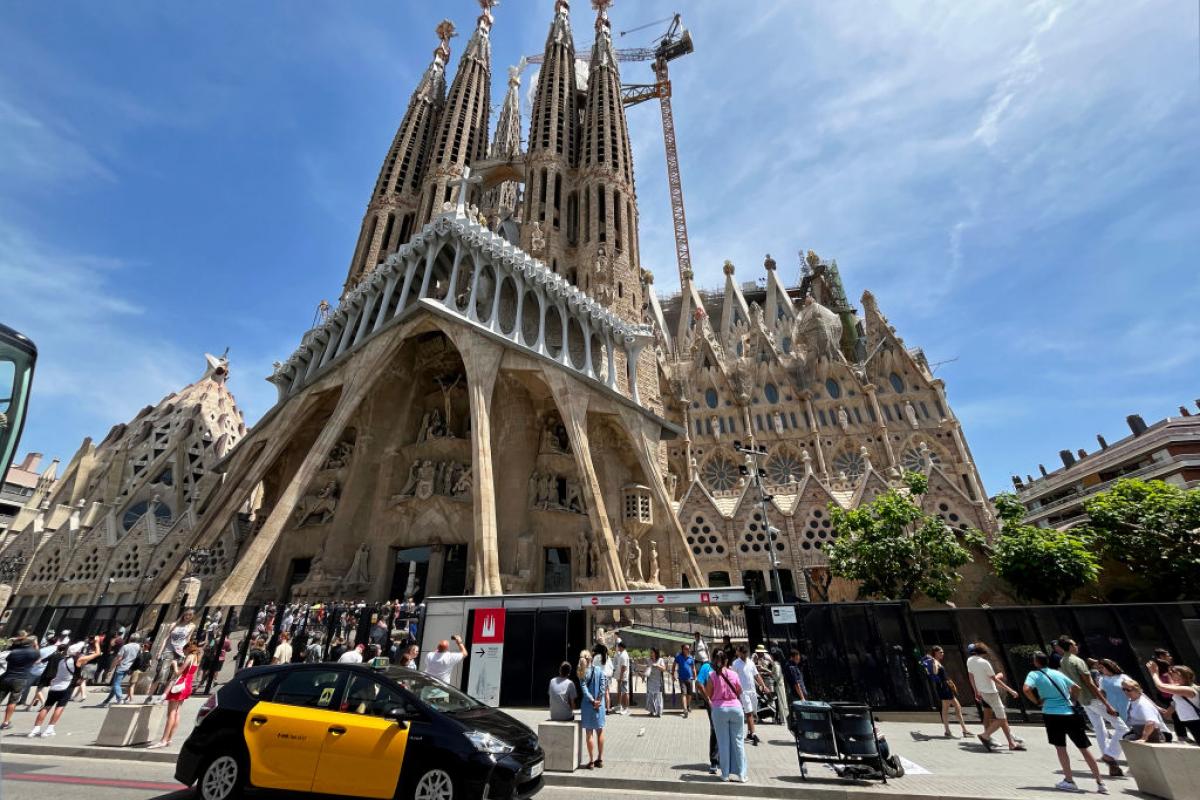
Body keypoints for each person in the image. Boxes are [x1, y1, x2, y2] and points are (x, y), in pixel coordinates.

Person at [1023, 651, 1107, 794]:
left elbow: (1026, 689)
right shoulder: (1057, 673)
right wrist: (1072, 700)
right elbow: (1077, 687)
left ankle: (1069, 780)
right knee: (1084, 748)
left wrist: (1037, 701)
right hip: (1069, 712)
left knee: (1061, 748)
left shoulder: (1034, 674)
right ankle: (1100, 783)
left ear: (1036, 662)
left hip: (1051, 714)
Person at [1057, 638, 1121, 775]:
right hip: (1092, 698)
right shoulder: (1077, 661)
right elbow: (1090, 683)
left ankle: (1110, 762)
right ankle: (1110, 754)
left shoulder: (1063, 661)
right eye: (1074, 644)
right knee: (1122, 727)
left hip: (1083, 700)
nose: (1077, 646)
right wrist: (1106, 703)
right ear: (1070, 646)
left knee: (1099, 728)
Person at [28, 639, 103, 738]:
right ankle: (49, 729)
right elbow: (97, 654)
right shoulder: (78, 660)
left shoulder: (62, 659)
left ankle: (35, 729)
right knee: (60, 707)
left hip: (55, 686)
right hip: (67, 686)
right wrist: (97, 642)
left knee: (46, 707)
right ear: (77, 652)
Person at [966, 642, 1025, 752]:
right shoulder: (984, 662)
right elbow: (994, 679)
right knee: (1002, 718)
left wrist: (975, 691)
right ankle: (986, 735)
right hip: (991, 692)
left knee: (995, 715)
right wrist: (1010, 690)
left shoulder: (969, 661)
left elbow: (971, 677)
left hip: (982, 692)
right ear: (983, 652)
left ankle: (1011, 742)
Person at [704, 650, 748, 783]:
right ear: (726, 661)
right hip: (735, 708)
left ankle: (725, 774)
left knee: (723, 743)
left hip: (719, 709)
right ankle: (741, 774)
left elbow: (708, 694)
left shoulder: (712, 675)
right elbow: (739, 691)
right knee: (738, 742)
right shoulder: (734, 674)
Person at [148, 642, 201, 749]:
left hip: (180, 684)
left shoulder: (190, 657)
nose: (183, 653)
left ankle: (163, 739)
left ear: (187, 649)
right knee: (177, 712)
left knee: (171, 713)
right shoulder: (196, 658)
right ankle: (169, 739)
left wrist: (175, 665)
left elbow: (178, 672)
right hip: (187, 685)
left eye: (184, 650)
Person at [1146, 660, 1200, 743]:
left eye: (1177, 677)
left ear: (1187, 676)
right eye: (1172, 676)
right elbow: (1176, 701)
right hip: (1191, 722)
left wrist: (1154, 673)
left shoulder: (1189, 689)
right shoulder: (1181, 687)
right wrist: (1169, 711)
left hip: (1196, 722)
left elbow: (1162, 687)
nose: (1174, 679)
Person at [922, 646, 970, 738]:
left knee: (949, 708)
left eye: (943, 652)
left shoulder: (936, 661)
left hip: (944, 687)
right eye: (940, 652)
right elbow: (935, 672)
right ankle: (961, 730)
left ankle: (954, 730)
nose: (942, 654)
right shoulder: (935, 662)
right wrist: (934, 665)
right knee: (953, 707)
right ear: (935, 653)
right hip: (944, 687)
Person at [0, 634, 41, 730]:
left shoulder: (14, 652)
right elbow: (38, 659)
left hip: (7, 676)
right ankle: (5, 722)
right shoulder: (33, 653)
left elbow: (7, 660)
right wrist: (36, 645)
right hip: (20, 679)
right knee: (13, 701)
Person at [1094, 659, 1133, 750]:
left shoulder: (1123, 677)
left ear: (1109, 666)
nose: (1100, 670)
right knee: (1123, 731)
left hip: (1127, 707)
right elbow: (1102, 693)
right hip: (1114, 709)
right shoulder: (1102, 679)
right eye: (1099, 668)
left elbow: (1136, 691)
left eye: (1102, 667)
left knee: (1131, 730)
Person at [580, 644, 608, 769]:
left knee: (589, 733)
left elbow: (584, 689)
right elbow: (603, 685)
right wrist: (598, 700)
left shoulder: (582, 672)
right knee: (600, 731)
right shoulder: (599, 670)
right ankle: (600, 759)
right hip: (599, 705)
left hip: (588, 705)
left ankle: (591, 761)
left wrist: (592, 700)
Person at [732, 645, 764, 746]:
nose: (745, 655)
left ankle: (750, 733)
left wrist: (763, 685)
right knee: (749, 712)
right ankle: (754, 734)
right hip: (743, 692)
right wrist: (735, 692)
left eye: (747, 653)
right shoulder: (735, 664)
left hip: (753, 691)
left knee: (753, 712)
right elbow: (733, 679)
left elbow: (756, 675)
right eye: (744, 653)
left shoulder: (750, 662)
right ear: (739, 653)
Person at [99, 633, 142, 707]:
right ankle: (106, 701)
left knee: (116, 684)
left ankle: (120, 698)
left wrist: (111, 669)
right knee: (116, 684)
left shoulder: (125, 647)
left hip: (122, 667)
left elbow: (118, 658)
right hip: (129, 667)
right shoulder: (138, 647)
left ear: (130, 638)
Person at [673, 643, 696, 718]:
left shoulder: (691, 658)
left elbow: (693, 667)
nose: (688, 650)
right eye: (686, 648)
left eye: (688, 648)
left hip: (690, 678)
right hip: (682, 678)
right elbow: (674, 665)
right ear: (683, 649)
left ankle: (688, 705)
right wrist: (673, 674)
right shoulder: (678, 657)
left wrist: (695, 675)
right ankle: (685, 709)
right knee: (683, 693)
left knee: (689, 694)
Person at [644, 647, 666, 717]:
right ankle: (651, 711)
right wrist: (644, 675)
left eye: (652, 652)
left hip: (658, 681)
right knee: (650, 696)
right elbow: (647, 669)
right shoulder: (649, 660)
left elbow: (664, 669)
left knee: (658, 697)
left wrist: (657, 665)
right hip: (650, 680)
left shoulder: (660, 660)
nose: (651, 654)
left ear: (656, 653)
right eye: (650, 652)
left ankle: (659, 712)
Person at [613, 641, 631, 715]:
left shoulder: (624, 655)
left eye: (618, 647)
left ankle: (626, 708)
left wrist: (620, 678)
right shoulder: (622, 654)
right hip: (622, 676)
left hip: (623, 677)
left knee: (625, 692)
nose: (618, 648)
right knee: (623, 692)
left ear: (621, 647)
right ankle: (621, 706)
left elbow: (624, 667)